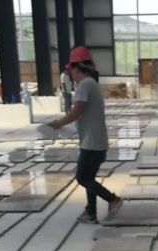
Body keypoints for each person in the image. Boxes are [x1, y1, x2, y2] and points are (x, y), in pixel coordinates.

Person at [50, 46, 121, 224]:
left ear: (76, 68)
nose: (71, 76)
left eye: (71, 71)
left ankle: (113, 199)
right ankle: (90, 213)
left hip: (92, 143)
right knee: (89, 178)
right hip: (97, 142)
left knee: (82, 177)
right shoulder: (92, 84)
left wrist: (59, 123)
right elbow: (81, 113)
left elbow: (76, 112)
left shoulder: (84, 85)